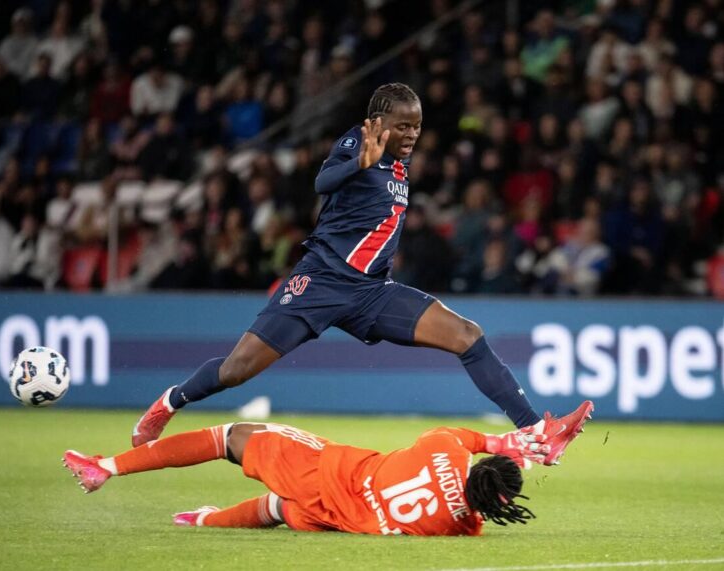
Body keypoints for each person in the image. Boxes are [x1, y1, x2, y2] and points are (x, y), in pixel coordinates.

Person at [132, 83, 592, 464]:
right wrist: (359, 163)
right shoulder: (358, 142)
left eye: (417, 126)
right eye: (403, 126)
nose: (411, 134)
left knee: (467, 335)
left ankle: (537, 433)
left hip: (372, 292)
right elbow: (322, 182)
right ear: (378, 122)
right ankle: (170, 401)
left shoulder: (400, 162)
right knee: (236, 371)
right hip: (321, 282)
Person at [63, 416, 590, 535]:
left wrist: (516, 443)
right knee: (277, 510)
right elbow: (486, 492)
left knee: (227, 438)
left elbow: (469, 441)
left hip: (326, 470)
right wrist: (522, 462)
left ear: (480, 466)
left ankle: (106, 467)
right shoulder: (462, 526)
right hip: (338, 518)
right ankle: (201, 521)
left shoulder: (445, 449)